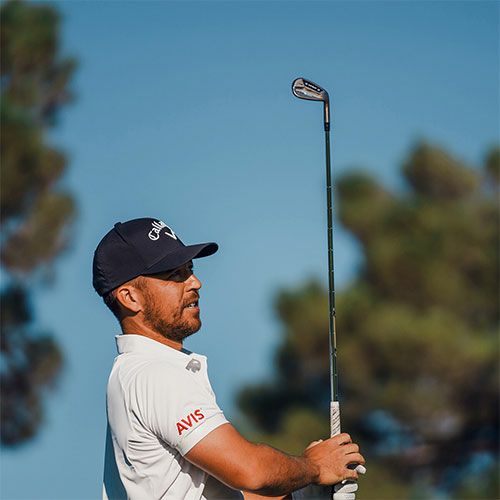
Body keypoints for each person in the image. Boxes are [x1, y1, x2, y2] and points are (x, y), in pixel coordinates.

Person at [94, 217, 365, 500]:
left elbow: (231, 492)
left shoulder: (139, 372)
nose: (195, 282)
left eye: (190, 269)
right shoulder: (154, 373)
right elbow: (251, 471)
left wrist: (304, 492)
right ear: (130, 297)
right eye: (175, 274)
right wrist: (314, 467)